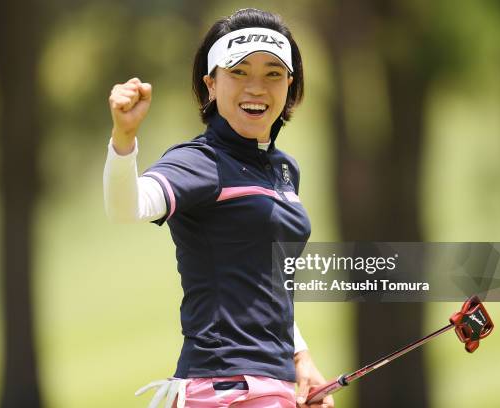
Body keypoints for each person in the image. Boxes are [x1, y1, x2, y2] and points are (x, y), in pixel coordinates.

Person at [103, 8, 335, 408]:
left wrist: (300, 358)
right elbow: (127, 208)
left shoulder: (283, 170)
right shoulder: (200, 162)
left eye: (272, 74)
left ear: (290, 85)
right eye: (239, 73)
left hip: (268, 384)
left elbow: (266, 280)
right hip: (223, 389)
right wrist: (124, 140)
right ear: (211, 85)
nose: (256, 88)